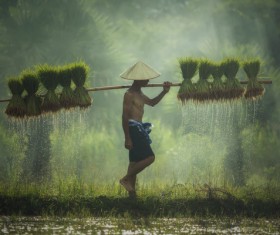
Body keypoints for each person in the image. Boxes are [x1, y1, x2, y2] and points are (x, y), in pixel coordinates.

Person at [119, 61, 171, 197]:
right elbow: (124, 116)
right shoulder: (129, 95)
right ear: (139, 79)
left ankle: (132, 194)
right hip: (133, 129)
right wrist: (127, 137)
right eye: (146, 78)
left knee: (134, 162)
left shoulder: (140, 95)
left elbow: (153, 103)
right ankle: (125, 178)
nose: (148, 81)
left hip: (139, 128)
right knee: (150, 157)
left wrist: (164, 92)